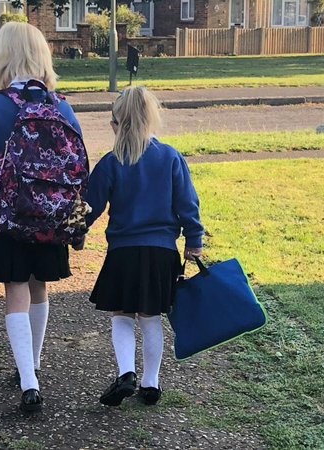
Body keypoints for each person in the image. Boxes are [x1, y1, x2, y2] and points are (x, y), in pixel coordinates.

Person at [0, 22, 84, 413]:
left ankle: (28, 382)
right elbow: (80, 168)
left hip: (10, 217)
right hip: (51, 218)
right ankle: (34, 363)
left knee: (15, 289)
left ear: (3, 56)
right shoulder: (60, 106)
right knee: (40, 286)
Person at [84, 86, 204, 407]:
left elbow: (89, 207)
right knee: (151, 318)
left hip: (123, 253)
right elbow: (188, 205)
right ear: (151, 120)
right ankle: (151, 384)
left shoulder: (111, 163)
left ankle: (126, 373)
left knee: (121, 316)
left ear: (117, 125)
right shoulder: (170, 157)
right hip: (161, 252)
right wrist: (193, 241)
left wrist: (74, 233)